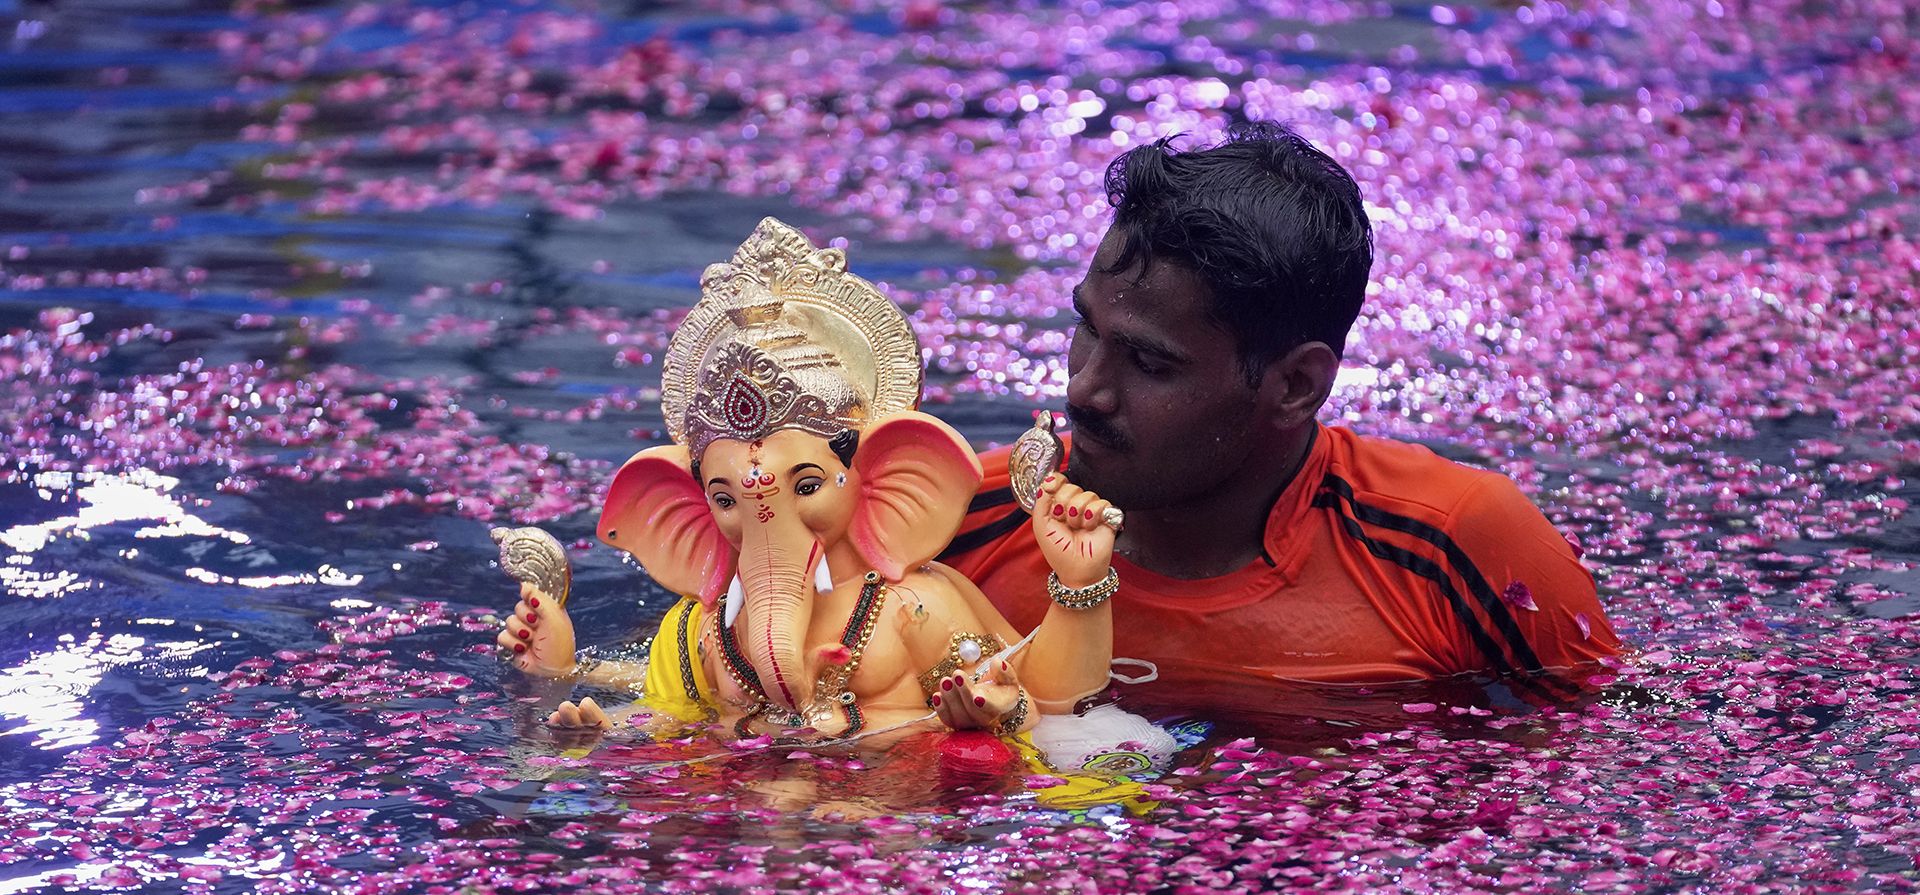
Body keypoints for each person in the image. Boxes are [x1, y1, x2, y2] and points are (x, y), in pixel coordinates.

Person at [939, 122, 1619, 701]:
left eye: (1149, 363)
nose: (1085, 391)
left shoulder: (1453, 546)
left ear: (1296, 384)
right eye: (1087, 328)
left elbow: (1598, 767)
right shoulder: (955, 521)